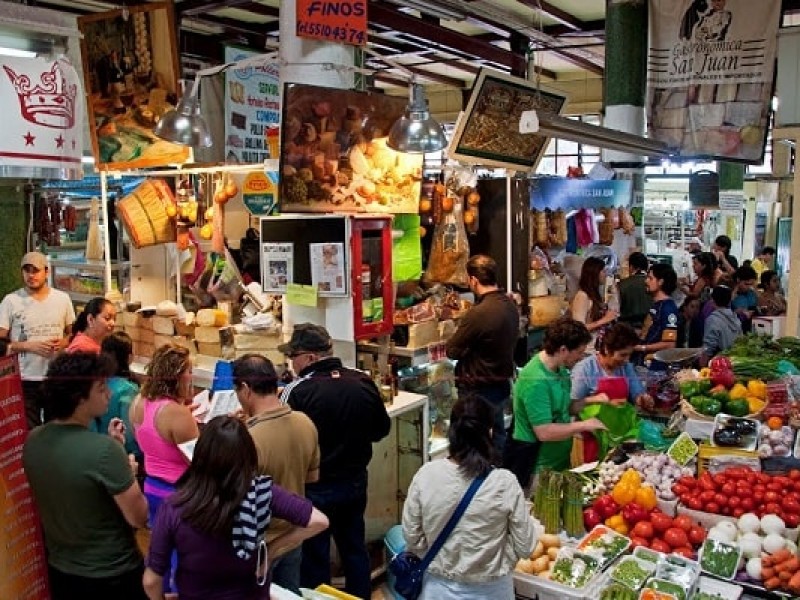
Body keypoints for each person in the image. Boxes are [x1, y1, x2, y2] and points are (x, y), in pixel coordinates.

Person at [143, 416, 329, 600]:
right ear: (248, 456)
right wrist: (271, 550)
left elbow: (151, 580)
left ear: (199, 457)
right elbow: (319, 521)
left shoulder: (175, 507)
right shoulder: (262, 493)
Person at [23, 352, 148, 599]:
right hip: (112, 573)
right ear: (79, 398)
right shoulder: (104, 452)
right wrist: (128, 471)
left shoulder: (33, 440)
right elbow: (139, 517)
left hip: (61, 570)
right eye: (101, 388)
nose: (109, 394)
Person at [278, 323, 391, 599]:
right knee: (354, 548)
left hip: (316, 488)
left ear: (310, 358)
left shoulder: (297, 391)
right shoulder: (362, 381)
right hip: (354, 482)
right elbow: (381, 430)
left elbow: (284, 441)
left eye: (293, 357)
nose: (291, 363)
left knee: (316, 557)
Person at [402, 394, 539, 599]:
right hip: (492, 591)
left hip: (438, 590)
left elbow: (412, 536)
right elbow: (526, 546)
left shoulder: (426, 475)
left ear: (452, 432)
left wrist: (439, 558)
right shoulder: (504, 483)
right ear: (490, 433)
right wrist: (498, 559)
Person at [233, 353, 320, 594]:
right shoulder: (305, 423)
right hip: (294, 535)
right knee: (290, 593)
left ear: (245, 388)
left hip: (259, 544)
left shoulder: (248, 439)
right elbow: (312, 478)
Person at [131, 344, 198, 593]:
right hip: (180, 494)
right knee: (183, 559)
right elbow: (200, 460)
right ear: (178, 375)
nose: (191, 376)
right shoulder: (177, 414)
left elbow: (154, 436)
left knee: (161, 552)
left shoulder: (140, 402)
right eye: (189, 371)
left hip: (152, 488)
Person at [511, 318, 606, 477]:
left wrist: (591, 400)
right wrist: (583, 425)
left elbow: (564, 407)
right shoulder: (536, 381)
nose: (581, 357)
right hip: (539, 467)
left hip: (559, 461)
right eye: (579, 352)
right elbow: (544, 432)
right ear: (563, 350)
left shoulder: (560, 369)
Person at [445, 255, 519, 455]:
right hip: (501, 385)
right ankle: (495, 474)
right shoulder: (510, 306)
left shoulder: (478, 313)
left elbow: (451, 350)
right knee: (498, 434)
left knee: (473, 440)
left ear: (474, 281)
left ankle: (476, 477)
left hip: (477, 389)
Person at [0, 251, 75, 428]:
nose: (31, 275)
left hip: (54, 375)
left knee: (55, 428)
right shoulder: (11, 301)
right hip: (25, 379)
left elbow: (73, 334)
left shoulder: (62, 299)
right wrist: (27, 346)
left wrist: (63, 343)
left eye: (35, 270)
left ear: (46, 272)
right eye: (27, 271)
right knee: (29, 430)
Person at [571, 322, 655, 411]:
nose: (627, 360)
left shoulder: (626, 367)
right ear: (607, 350)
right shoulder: (584, 369)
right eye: (622, 355)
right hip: (591, 422)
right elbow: (573, 406)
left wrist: (642, 399)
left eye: (629, 355)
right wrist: (594, 401)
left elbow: (637, 391)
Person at [95, 331, 141, 462]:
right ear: (129, 357)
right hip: (120, 456)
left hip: (96, 451)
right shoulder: (128, 390)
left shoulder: (94, 385)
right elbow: (129, 435)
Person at [634, 263, 679, 370]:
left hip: (655, 368)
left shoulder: (668, 309)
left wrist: (641, 348)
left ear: (660, 282)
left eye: (650, 278)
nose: (646, 281)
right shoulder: (657, 305)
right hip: (643, 364)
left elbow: (670, 344)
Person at [570, 256, 618, 345]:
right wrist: (604, 320)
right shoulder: (582, 296)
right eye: (603, 271)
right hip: (588, 348)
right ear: (595, 273)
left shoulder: (595, 294)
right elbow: (579, 328)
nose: (606, 274)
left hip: (598, 344)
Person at [699, 285, 742, 367]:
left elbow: (708, 348)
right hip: (735, 363)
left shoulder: (713, 319)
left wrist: (701, 368)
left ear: (712, 301)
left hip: (719, 365)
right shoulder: (736, 318)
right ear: (729, 301)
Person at [617, 252, 652, 332]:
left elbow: (616, 308)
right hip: (650, 327)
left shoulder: (621, 284)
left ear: (631, 267)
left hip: (627, 329)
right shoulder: (653, 284)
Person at [731, 264, 759, 333]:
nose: (749, 287)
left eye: (751, 284)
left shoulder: (752, 293)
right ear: (738, 280)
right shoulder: (730, 294)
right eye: (746, 284)